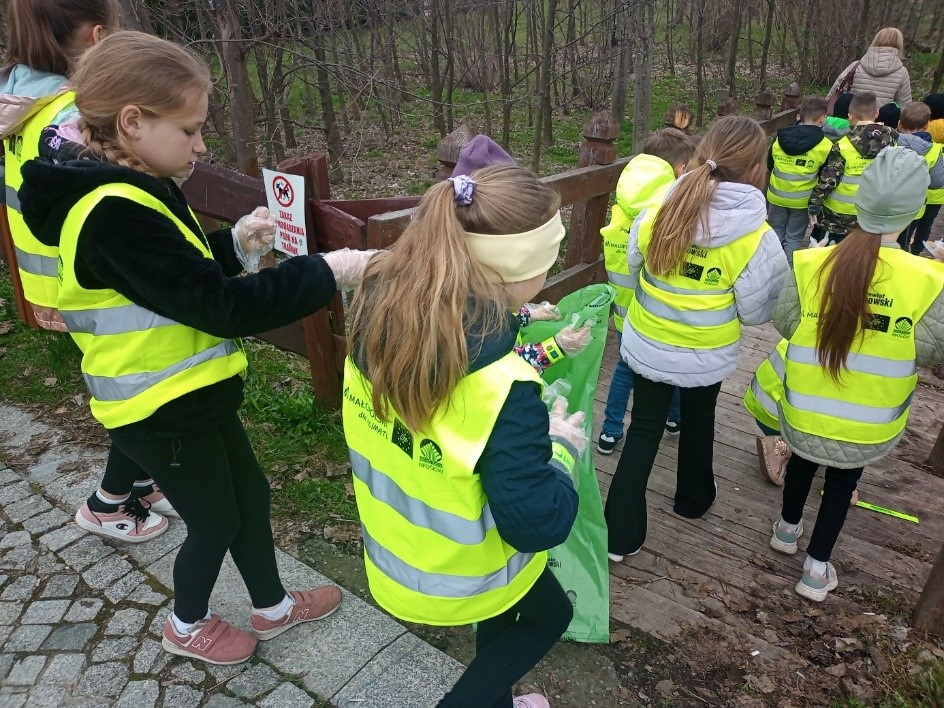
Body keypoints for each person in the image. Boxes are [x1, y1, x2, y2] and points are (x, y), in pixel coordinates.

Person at [18, 31, 375, 664]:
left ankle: (270, 606)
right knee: (214, 520)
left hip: (187, 390)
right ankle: (186, 624)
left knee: (250, 498)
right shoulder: (112, 211)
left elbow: (174, 283)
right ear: (132, 122)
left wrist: (236, 245)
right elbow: (219, 308)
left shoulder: (124, 183)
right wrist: (329, 270)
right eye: (189, 130)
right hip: (156, 405)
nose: (201, 145)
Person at [344, 165, 583, 708]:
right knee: (551, 615)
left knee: (501, 621)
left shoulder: (379, 320)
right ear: (525, 271)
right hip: (471, 568)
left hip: (394, 552)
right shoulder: (506, 387)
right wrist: (562, 450)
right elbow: (534, 523)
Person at [0, 0, 174, 541]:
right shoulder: (70, 116)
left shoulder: (19, 97)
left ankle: (139, 484)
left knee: (132, 382)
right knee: (140, 387)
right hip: (94, 281)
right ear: (99, 37)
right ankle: (108, 501)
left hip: (54, 278)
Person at [604, 116, 789, 561]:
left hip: (648, 342)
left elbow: (632, 268)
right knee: (700, 418)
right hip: (706, 353)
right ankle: (692, 498)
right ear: (754, 170)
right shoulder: (756, 237)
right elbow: (756, 311)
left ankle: (618, 535)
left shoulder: (657, 211)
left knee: (644, 428)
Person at [767, 147, 944, 601]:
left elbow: (787, 322)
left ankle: (786, 532)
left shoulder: (811, 263)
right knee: (843, 480)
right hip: (871, 416)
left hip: (806, 402)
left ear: (860, 201)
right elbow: (931, 349)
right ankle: (815, 570)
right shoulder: (928, 279)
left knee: (804, 459)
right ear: (916, 209)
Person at [597, 128, 695, 454]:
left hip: (622, 302)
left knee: (624, 367)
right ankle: (674, 417)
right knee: (673, 363)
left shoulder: (627, 189)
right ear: (680, 168)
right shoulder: (668, 202)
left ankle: (610, 431)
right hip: (654, 306)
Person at [809, 91, 897, 245]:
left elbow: (829, 180)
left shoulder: (842, 145)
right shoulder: (893, 144)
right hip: (872, 214)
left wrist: (814, 205)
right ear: (876, 113)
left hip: (838, 216)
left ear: (850, 116)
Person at [766, 96, 832, 266]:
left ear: (800, 115)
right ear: (823, 118)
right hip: (802, 201)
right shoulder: (825, 145)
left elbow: (770, 164)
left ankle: (769, 268)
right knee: (794, 238)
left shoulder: (779, 138)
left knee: (775, 233)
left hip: (776, 196)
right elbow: (826, 174)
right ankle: (786, 273)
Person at [895, 101, 944, 254]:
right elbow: (937, 182)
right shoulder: (935, 149)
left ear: (899, 124)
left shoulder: (891, 142)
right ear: (926, 125)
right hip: (921, 202)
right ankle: (915, 252)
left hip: (895, 199)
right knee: (918, 229)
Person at [829, 27, 912, 108]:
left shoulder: (856, 66)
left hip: (853, 118)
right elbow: (904, 106)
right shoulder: (902, 72)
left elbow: (835, 91)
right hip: (882, 121)